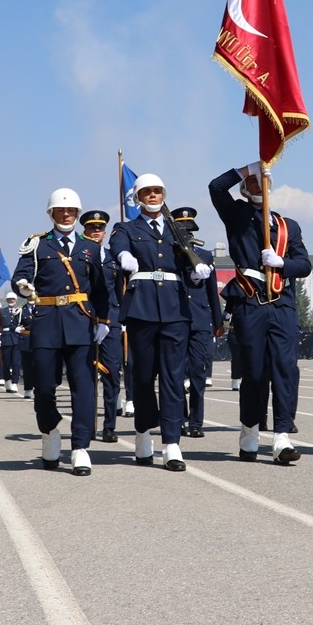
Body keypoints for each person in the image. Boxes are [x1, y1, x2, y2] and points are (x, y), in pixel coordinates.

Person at [209, 161, 311, 465]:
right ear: (244, 188)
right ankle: (250, 430)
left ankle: (282, 436)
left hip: (282, 303)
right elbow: (216, 187)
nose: (258, 185)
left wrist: (282, 263)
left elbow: (304, 265)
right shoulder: (237, 215)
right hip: (249, 302)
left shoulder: (287, 226)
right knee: (254, 372)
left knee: (285, 368)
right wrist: (247, 169)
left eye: (261, 181)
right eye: (252, 182)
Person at [11, 188, 111, 476]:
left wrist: (103, 321)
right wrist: (23, 288)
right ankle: (49, 431)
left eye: (70, 211)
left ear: (77, 214)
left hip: (81, 322)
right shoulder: (37, 245)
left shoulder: (91, 248)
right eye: (60, 210)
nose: (66, 214)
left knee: (83, 387)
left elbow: (101, 289)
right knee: (44, 385)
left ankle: (80, 447)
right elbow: (20, 276)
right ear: (51, 213)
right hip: (47, 322)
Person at [108, 174, 200, 472]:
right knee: (144, 376)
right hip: (142, 308)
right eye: (146, 191)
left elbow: (188, 261)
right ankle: (144, 432)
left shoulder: (177, 229)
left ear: (163, 194)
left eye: (157, 191)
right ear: (137, 197)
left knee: (173, 378)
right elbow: (117, 245)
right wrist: (124, 255)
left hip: (175, 309)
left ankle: (171, 443)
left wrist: (197, 271)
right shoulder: (127, 228)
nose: (152, 195)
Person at [170, 207, 224, 439]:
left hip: (200, 320)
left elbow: (212, 291)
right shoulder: (169, 256)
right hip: (176, 318)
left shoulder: (205, 256)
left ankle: (196, 422)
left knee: (198, 374)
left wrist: (218, 321)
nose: (187, 234)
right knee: (175, 373)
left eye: (189, 230)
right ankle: (179, 418)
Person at [80, 209, 123, 443]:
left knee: (112, 374)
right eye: (91, 228)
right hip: (84, 319)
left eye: (100, 228)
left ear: (105, 232)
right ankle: (86, 425)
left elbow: (119, 292)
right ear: (84, 231)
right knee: (84, 375)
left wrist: (121, 320)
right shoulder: (79, 255)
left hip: (111, 322)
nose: (96, 231)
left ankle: (109, 426)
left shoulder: (113, 258)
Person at [0, 292, 21, 393]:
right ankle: (8, 381)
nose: (11, 301)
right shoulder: (2, 312)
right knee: (6, 363)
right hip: (6, 339)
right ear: (7, 301)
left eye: (13, 299)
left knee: (16, 363)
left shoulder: (19, 311)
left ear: (15, 300)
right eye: (9, 299)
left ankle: (15, 383)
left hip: (17, 339)